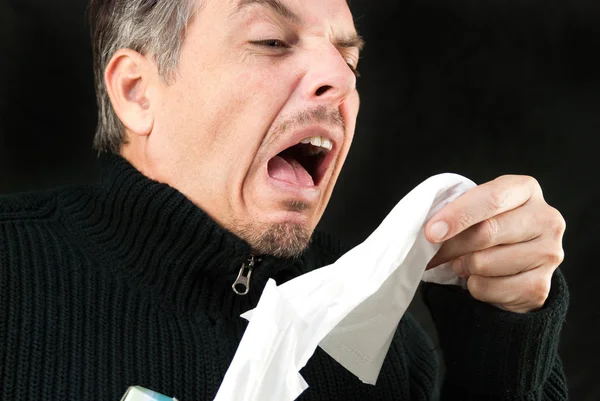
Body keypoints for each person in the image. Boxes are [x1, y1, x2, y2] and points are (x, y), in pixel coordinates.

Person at [0, 0, 569, 399]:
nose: (340, 81)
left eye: (349, 59)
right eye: (271, 41)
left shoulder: (386, 350)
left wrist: (503, 339)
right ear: (137, 92)